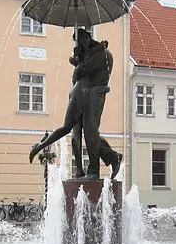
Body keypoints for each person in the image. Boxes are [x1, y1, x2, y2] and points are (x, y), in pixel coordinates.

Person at [29, 29, 122, 180]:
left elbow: (83, 71)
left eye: (79, 41)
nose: (78, 44)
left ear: (87, 38)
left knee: (91, 130)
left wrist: (80, 59)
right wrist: (78, 58)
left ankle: (94, 170)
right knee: (78, 132)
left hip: (94, 95)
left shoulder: (102, 54)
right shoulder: (91, 55)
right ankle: (103, 161)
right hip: (82, 95)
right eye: (77, 42)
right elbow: (78, 75)